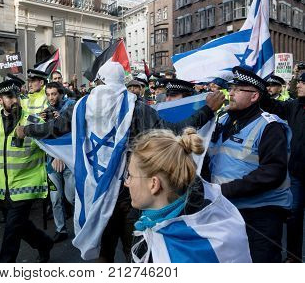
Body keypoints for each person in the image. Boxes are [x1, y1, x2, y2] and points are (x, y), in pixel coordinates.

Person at [17, 62, 225, 262]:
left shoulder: (82, 106)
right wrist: (207, 110)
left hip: (95, 190)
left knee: (103, 248)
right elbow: (173, 132)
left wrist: (26, 130)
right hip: (130, 190)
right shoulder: (135, 107)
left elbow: (53, 128)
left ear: (99, 82)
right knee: (133, 249)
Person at [204, 66, 292, 263]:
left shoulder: (270, 126)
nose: (231, 93)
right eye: (231, 88)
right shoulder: (224, 119)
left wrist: (223, 190)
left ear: (254, 96)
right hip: (227, 208)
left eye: (237, 89)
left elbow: (272, 173)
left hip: (260, 213)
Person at [126, 128, 251, 263]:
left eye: (130, 176)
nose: (126, 183)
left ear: (153, 184)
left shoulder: (179, 251)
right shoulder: (151, 221)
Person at [0, 79, 53, 263]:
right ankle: (44, 243)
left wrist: (59, 157)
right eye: (9, 97)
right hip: (2, 189)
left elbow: (52, 140)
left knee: (11, 233)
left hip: (26, 187)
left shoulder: (32, 121)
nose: (15, 100)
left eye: (17, 96)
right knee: (20, 227)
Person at [260, 72, 305, 262]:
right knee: (293, 216)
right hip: (296, 173)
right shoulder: (294, 105)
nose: (299, 85)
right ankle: (294, 257)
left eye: (304, 82)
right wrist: (259, 88)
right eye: (300, 81)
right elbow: (273, 106)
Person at [42, 82, 76, 243]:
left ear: (61, 94)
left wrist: (61, 120)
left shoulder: (71, 107)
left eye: (54, 94)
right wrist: (42, 121)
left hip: (68, 162)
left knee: (71, 198)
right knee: (55, 198)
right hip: (51, 163)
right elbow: (42, 138)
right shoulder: (44, 109)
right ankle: (60, 229)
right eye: (48, 94)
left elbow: (73, 133)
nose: (51, 98)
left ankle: (81, 226)